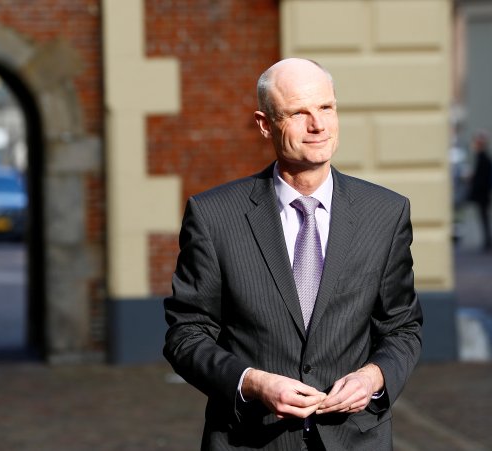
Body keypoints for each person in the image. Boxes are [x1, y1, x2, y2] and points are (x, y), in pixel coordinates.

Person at [163, 58, 423, 450]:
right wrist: (251, 382)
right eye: (299, 113)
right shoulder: (214, 216)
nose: (318, 125)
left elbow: (402, 326)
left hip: (355, 439)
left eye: (326, 108)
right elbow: (186, 333)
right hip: (251, 438)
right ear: (265, 124)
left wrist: (373, 377)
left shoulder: (385, 213)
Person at [467, 131, 492, 251]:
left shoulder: (483, 158)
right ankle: (488, 241)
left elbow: (482, 179)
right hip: (485, 194)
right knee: (485, 218)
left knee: (484, 218)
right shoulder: (484, 158)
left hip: (483, 195)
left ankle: (488, 242)